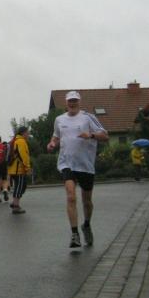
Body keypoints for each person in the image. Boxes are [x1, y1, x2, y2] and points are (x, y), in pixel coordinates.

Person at [47, 91, 109, 248]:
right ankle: (74, 234)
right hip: (66, 163)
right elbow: (56, 136)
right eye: (70, 101)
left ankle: (86, 224)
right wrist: (52, 143)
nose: (72, 103)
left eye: (75, 100)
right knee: (71, 197)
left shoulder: (88, 117)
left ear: (79, 102)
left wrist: (91, 135)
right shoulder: (59, 119)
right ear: (66, 103)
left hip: (85, 165)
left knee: (87, 201)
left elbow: (105, 136)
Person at [7, 126, 31, 214]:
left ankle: (14, 203)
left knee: (21, 186)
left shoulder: (15, 140)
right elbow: (23, 156)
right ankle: (16, 206)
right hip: (18, 169)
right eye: (27, 132)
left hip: (13, 169)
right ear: (23, 133)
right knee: (19, 187)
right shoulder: (21, 141)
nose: (28, 134)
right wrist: (27, 168)